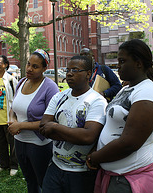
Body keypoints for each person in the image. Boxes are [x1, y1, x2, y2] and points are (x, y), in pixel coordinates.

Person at [86, 39, 153, 193]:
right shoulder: (126, 89)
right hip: (114, 175)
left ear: (138, 63)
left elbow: (129, 142)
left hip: (132, 179)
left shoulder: (149, 91)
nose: (118, 66)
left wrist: (95, 157)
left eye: (122, 61)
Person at [39, 55, 107, 193]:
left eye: (75, 70)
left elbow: (88, 137)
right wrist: (75, 134)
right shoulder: (59, 96)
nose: (69, 73)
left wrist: (55, 127)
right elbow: (43, 126)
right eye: (68, 69)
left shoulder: (97, 101)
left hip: (82, 173)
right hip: (55, 167)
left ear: (88, 74)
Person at [8, 49, 59, 193]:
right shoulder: (22, 82)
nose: (29, 69)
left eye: (35, 66)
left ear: (44, 68)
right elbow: (14, 108)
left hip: (39, 145)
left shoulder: (50, 87)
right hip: (19, 142)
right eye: (28, 64)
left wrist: (21, 125)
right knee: (30, 181)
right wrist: (12, 120)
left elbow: (52, 120)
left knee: (43, 182)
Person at [0, 55, 18, 176]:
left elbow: (17, 98)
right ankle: (3, 164)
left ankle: (14, 166)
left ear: (5, 65)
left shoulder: (11, 80)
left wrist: (14, 117)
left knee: (12, 143)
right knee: (0, 143)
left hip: (8, 118)